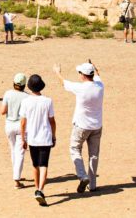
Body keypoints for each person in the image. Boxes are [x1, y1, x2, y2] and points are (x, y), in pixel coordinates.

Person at [53, 61, 104, 193]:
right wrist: (94, 66)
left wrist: (57, 72)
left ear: (83, 75)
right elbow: (98, 74)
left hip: (81, 125)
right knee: (94, 155)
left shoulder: (80, 88)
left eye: (80, 73)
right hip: (97, 126)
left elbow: (64, 82)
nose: (79, 74)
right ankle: (92, 185)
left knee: (75, 148)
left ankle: (82, 176)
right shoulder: (100, 85)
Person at [19, 74, 55, 206]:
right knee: (44, 165)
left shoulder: (26, 101)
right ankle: (40, 189)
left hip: (32, 138)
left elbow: (23, 123)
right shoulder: (48, 101)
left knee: (35, 165)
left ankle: (36, 189)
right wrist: (54, 135)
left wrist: (23, 139)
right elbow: (52, 121)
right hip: (45, 137)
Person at [1, 72, 29, 188]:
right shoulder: (27, 97)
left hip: (9, 125)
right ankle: (16, 178)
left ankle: (16, 173)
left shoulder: (8, 94)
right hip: (22, 126)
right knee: (20, 152)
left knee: (13, 150)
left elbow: (2, 111)